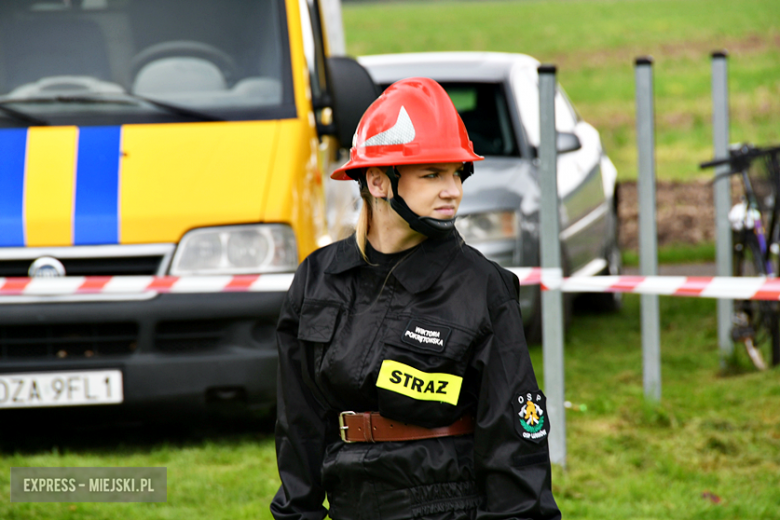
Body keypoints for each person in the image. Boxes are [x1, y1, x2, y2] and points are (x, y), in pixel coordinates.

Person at [271, 77, 560, 520]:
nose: (453, 190)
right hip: (351, 506)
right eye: (432, 174)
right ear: (379, 181)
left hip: (447, 506)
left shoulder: (483, 286)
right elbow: (298, 426)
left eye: (457, 174)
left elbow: (513, 441)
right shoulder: (317, 278)